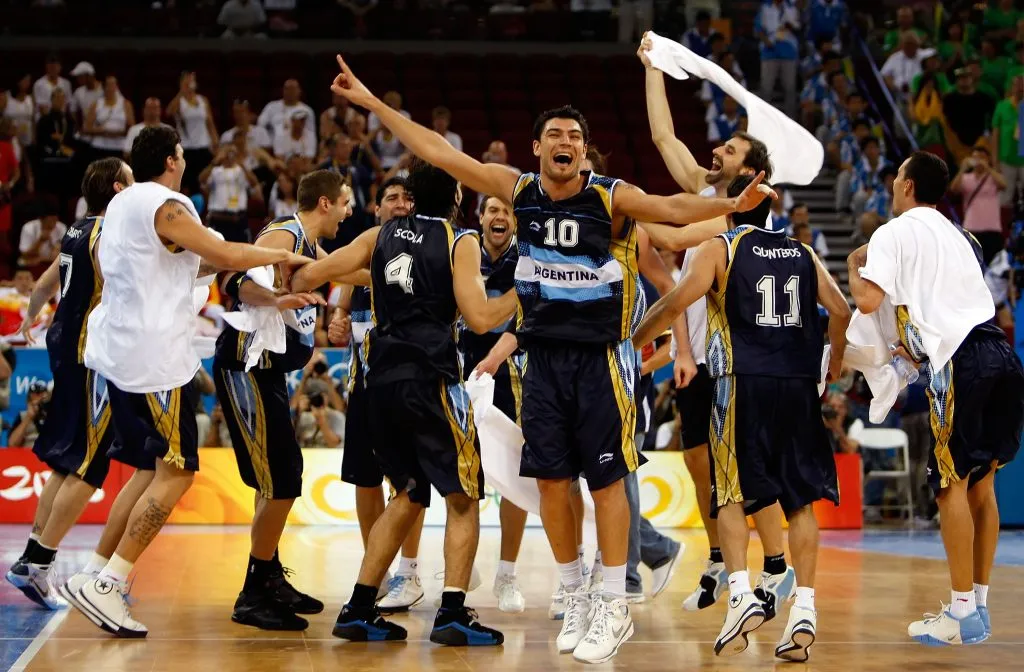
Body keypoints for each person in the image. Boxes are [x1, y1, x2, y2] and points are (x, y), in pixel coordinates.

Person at [322, 53, 772, 663]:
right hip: (540, 360)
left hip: (600, 358)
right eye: (556, 135)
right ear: (537, 147)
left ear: (584, 152)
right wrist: (373, 103)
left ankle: (612, 601)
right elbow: (441, 153)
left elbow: (670, 212)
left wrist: (731, 208)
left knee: (607, 483)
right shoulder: (518, 190)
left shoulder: (609, 197)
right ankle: (575, 589)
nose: (568, 143)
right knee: (553, 483)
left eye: (576, 137)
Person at [67, 126, 311, 638]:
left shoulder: (120, 205)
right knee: (177, 473)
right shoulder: (167, 205)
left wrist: (261, 284)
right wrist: (280, 255)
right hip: (154, 359)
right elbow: (226, 257)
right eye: (180, 155)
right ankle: (110, 582)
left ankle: (94, 571)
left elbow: (186, 263)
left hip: (117, 354)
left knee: (147, 471)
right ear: (173, 161)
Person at [291, 158, 518, 647]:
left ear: (411, 198)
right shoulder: (460, 240)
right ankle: (452, 612)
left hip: (379, 382)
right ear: (456, 199)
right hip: (431, 379)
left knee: (410, 492)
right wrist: (527, 291)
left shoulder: (378, 236)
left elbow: (311, 274)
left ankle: (358, 608)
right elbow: (481, 318)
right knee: (463, 496)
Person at [632, 174, 850, 662]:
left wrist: (630, 342)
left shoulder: (721, 247)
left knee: (729, 492)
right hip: (797, 387)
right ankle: (805, 607)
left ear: (729, 211)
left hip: (742, 382)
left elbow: (675, 302)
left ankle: (740, 596)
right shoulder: (803, 253)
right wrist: (833, 363)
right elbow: (840, 309)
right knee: (800, 503)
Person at [638, 36, 797, 619]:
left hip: (739, 359)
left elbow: (672, 240)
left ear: (749, 172)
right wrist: (654, 67)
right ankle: (717, 557)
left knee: (742, 470)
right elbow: (664, 137)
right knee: (698, 459)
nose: (715, 151)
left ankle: (776, 566)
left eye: (728, 149)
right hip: (700, 353)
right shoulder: (707, 195)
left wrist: (629, 213)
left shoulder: (743, 216)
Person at [847, 150, 1024, 646]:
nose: (892, 184)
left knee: (949, 488)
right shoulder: (960, 234)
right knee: (982, 487)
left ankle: (960, 613)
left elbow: (868, 301)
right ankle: (978, 608)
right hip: (1001, 353)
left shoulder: (893, 232)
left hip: (960, 364)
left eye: (896, 177)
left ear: (907, 185)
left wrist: (854, 265)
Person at [212, 170, 353, 631]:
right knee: (283, 478)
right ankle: (254, 592)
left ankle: (268, 576)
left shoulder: (310, 246)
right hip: (246, 365)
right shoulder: (284, 233)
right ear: (326, 203)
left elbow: (350, 269)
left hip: (268, 372)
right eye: (345, 202)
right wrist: (276, 298)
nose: (349, 211)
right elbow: (232, 279)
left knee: (276, 478)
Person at [4, 157, 133, 610]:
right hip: (91, 357)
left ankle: (31, 559)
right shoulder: (110, 234)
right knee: (88, 465)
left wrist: (29, 317)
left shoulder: (77, 229)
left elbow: (46, 282)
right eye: (131, 181)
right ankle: (40, 563)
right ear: (118, 189)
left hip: (65, 348)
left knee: (65, 461)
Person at [330, 177, 427, 612]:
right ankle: (378, 571)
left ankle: (409, 571)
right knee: (365, 480)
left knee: (409, 483)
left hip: (407, 384)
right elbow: (341, 299)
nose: (401, 203)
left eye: (408, 198)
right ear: (377, 209)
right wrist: (336, 317)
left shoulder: (423, 248)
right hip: (364, 385)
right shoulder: (363, 248)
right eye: (392, 198)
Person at [457, 195, 529, 613]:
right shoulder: (463, 253)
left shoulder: (529, 258)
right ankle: (463, 564)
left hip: (514, 376)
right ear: (480, 217)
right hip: (464, 373)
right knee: (463, 476)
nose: (500, 217)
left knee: (515, 480)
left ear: (515, 221)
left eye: (507, 211)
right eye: (493, 210)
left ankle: (507, 575)